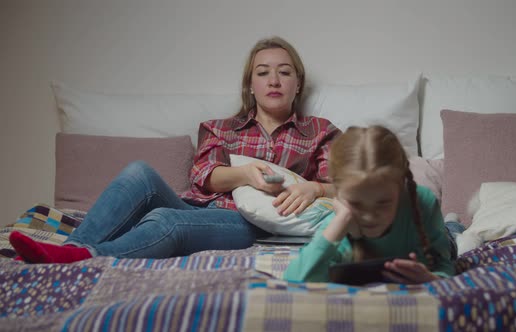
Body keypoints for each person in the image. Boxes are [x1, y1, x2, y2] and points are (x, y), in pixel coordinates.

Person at [9, 36, 341, 263]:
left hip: (247, 223)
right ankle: (73, 248)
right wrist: (245, 175)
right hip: (202, 206)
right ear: (249, 86)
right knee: (138, 172)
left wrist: (314, 188)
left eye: (285, 73)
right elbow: (203, 177)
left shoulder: (319, 131)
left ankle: (89, 258)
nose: (274, 81)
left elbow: (347, 187)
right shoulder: (220, 128)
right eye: (263, 73)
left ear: (298, 84)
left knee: (165, 219)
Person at [283, 125, 464, 284]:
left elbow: (444, 263)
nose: (369, 216)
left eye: (383, 203)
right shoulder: (340, 221)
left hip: (436, 234)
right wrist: (341, 221)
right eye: (356, 204)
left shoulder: (422, 202)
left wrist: (432, 278)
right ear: (338, 193)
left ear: (400, 187)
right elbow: (294, 279)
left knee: (453, 241)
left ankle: (453, 224)